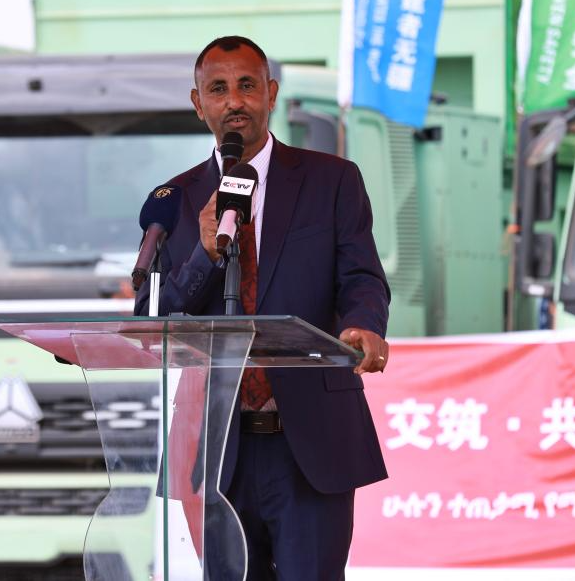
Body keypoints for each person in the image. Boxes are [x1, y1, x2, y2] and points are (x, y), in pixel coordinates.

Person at [135, 36, 389, 580]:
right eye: (218, 89)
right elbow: (152, 319)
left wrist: (363, 325)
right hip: (216, 446)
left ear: (271, 94)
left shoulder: (332, 180)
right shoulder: (174, 200)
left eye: (247, 85)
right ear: (198, 104)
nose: (235, 101)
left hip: (309, 441)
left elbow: (362, 278)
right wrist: (204, 255)